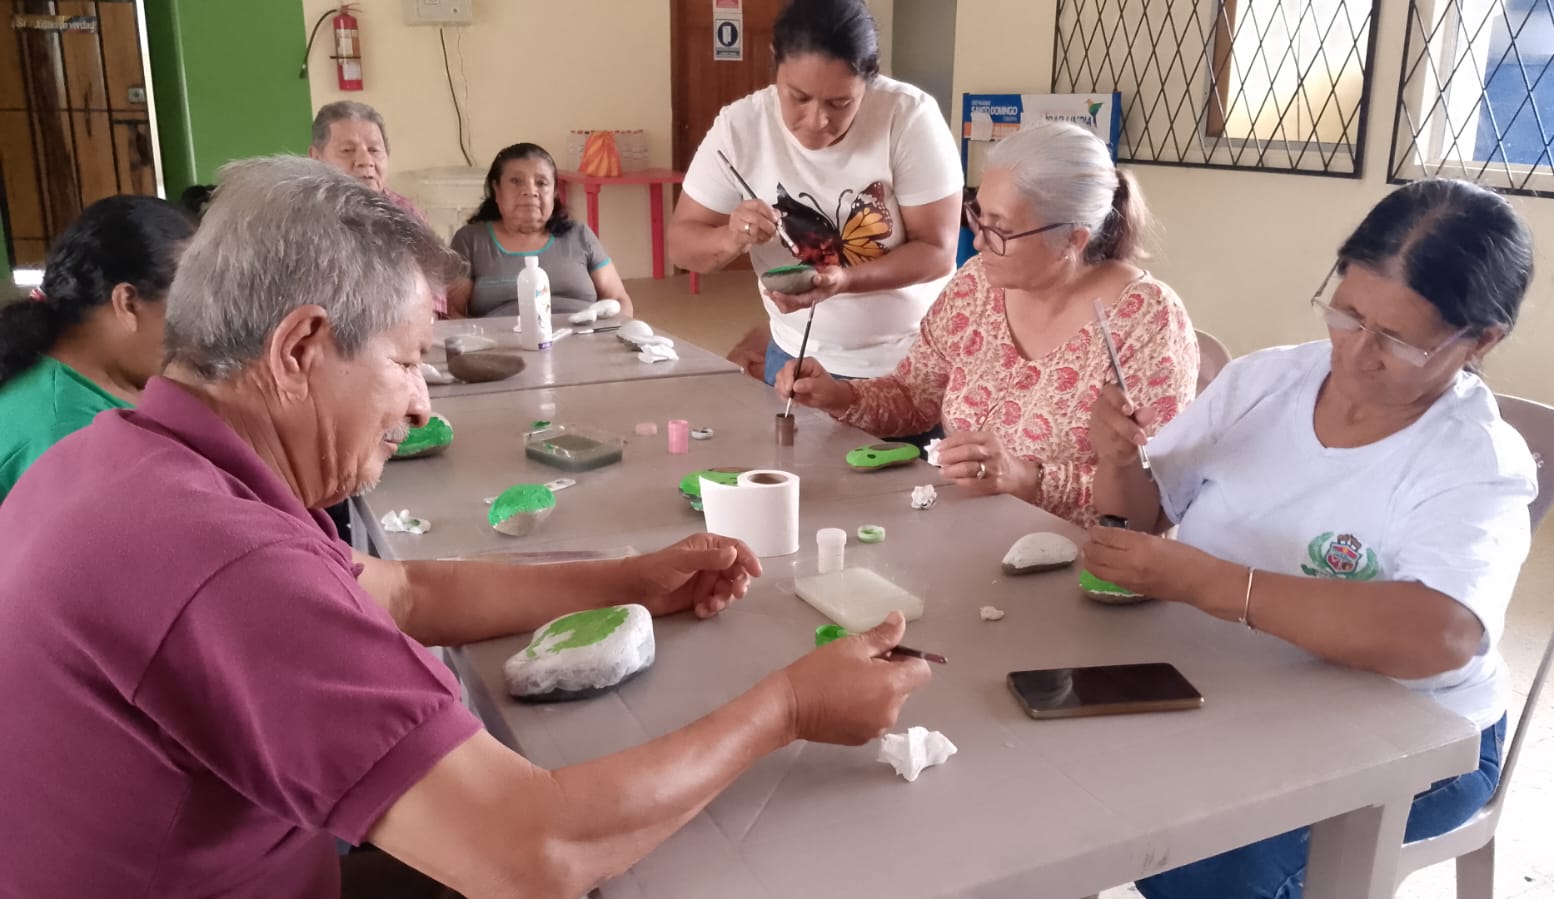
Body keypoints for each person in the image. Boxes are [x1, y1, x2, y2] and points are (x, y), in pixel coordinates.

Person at [0, 156, 930, 898]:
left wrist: (630, 577)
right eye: (407, 361)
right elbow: (535, 850)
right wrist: (788, 708)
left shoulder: (126, 458)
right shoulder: (219, 557)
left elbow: (400, 590)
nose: (419, 403)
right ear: (299, 349)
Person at [1084, 179, 1537, 899]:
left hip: (1416, 733)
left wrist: (1213, 584)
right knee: (1067, 785)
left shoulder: (1473, 457)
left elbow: (1441, 633)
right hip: (1247, 686)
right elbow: (1137, 517)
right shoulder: (1266, 383)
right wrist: (1116, 463)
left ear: (1481, 340)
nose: (1357, 354)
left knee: (1210, 866)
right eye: (1347, 314)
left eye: (1397, 339)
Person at [777, 122, 1197, 526]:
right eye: (979, 217)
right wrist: (839, 395)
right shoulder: (979, 283)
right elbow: (914, 396)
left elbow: (1153, 500)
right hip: (963, 527)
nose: (978, 242)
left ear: (1073, 239)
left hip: (1078, 557)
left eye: (1001, 230)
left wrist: (1025, 478)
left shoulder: (1144, 319)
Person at [670, 0, 964, 386]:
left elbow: (937, 251)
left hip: (908, 362)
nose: (817, 121)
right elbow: (682, 245)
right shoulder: (741, 127)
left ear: (869, 79)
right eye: (798, 97)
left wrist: (846, 280)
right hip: (795, 353)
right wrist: (732, 237)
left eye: (840, 103)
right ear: (775, 64)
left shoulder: (907, 116)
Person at [0, 195, 193, 502]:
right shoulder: (65, 431)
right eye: (187, 311)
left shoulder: (85, 382)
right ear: (128, 303)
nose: (195, 334)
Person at [447, 142, 633, 319]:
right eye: (516, 181)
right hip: (501, 340)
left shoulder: (579, 235)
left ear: (554, 192)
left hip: (585, 336)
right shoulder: (470, 240)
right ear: (497, 189)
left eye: (542, 183)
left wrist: (608, 334)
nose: (530, 191)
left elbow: (619, 300)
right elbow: (452, 312)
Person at [309, 100, 448, 319]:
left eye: (374, 150)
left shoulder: (407, 215)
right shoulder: (298, 218)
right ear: (316, 158)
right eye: (347, 150)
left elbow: (434, 299)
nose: (365, 161)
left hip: (400, 330)